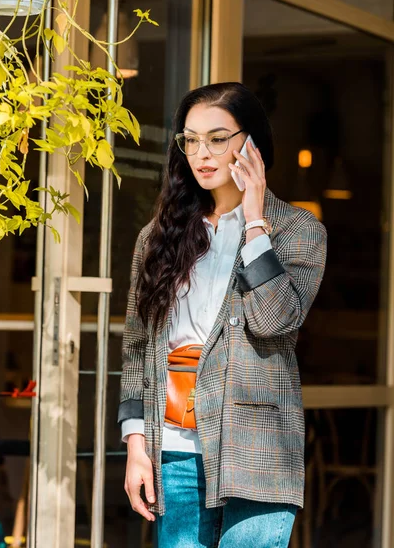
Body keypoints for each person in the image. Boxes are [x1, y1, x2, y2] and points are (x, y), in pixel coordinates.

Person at [118, 82, 327, 548]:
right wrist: (136, 445)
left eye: (217, 138)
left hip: (256, 448)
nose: (201, 153)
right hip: (173, 450)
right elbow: (136, 348)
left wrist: (255, 221)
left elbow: (273, 321)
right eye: (190, 140)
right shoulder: (158, 237)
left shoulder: (298, 230)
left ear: (250, 143)